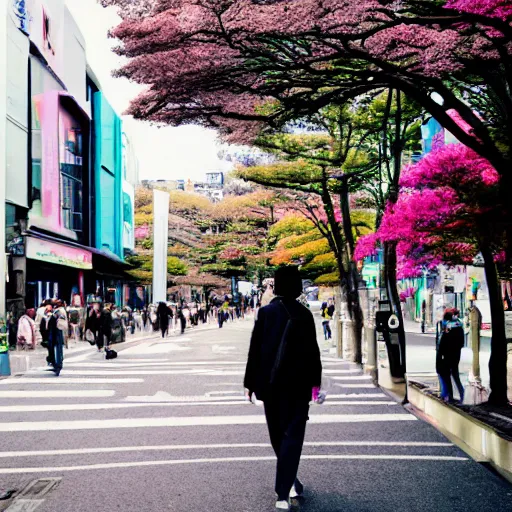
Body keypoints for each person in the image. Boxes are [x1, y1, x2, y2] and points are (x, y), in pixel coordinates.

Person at [244, 266, 322, 511]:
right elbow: (313, 353)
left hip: (270, 385)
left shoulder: (265, 313)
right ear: (298, 288)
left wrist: (249, 384)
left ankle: (283, 491)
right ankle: (289, 486)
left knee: (278, 436)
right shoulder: (305, 315)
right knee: (293, 437)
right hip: (298, 386)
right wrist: (315, 384)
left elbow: (255, 350)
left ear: (276, 286)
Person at [436, 309, 465, 403]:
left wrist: (440, 355)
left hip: (446, 357)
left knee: (446, 375)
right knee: (455, 375)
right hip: (456, 356)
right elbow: (461, 343)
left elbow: (442, 345)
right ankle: (462, 395)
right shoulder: (459, 327)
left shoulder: (447, 329)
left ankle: (449, 396)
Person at [48, 300, 67, 376]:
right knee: (58, 348)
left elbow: (54, 320)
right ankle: (57, 363)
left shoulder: (59, 311)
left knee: (57, 348)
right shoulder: (60, 311)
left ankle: (58, 364)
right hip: (56, 332)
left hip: (56, 332)